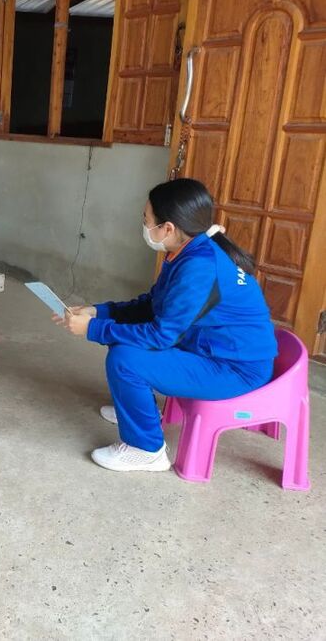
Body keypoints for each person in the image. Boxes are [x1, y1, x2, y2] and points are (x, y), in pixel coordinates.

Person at [55, 178, 277, 473]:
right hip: (212, 349)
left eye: (146, 220)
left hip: (236, 369)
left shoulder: (198, 267)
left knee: (125, 359)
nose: (144, 225)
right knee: (126, 343)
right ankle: (138, 411)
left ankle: (146, 449)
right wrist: (99, 312)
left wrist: (92, 329)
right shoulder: (189, 251)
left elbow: (160, 336)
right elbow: (153, 305)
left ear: (168, 228)